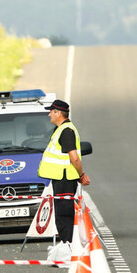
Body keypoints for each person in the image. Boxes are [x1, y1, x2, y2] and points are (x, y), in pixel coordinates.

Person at [38, 99, 90, 249]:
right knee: (62, 213)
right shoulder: (61, 129)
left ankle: (68, 246)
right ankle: (66, 244)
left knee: (64, 214)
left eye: (51, 111)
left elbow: (74, 157)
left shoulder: (66, 131)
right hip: (62, 178)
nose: (49, 115)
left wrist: (81, 175)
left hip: (65, 178)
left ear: (58, 113)